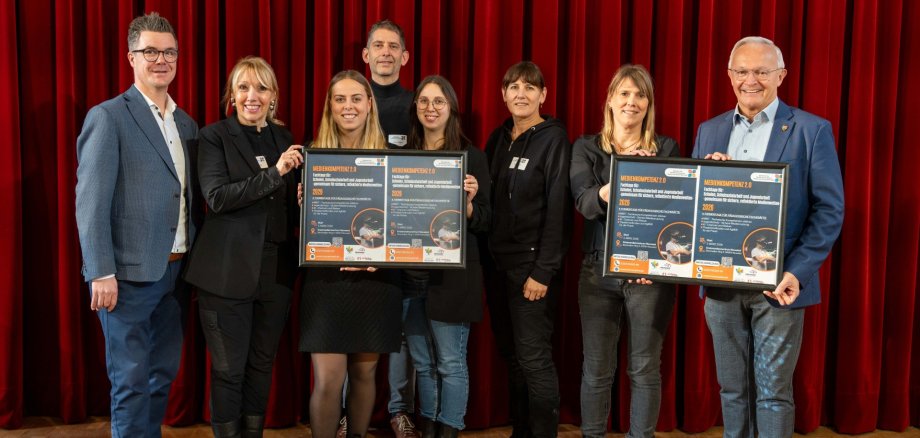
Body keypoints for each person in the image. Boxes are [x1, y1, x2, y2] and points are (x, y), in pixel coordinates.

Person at [692, 36, 844, 438]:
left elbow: (829, 210)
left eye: (762, 71)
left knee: (774, 394)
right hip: (721, 283)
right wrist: (708, 179)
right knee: (732, 390)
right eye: (742, 71)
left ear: (781, 76)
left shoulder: (811, 130)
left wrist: (796, 272)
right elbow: (694, 207)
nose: (751, 80)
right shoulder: (709, 131)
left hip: (780, 285)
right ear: (729, 75)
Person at [75, 12, 198, 438]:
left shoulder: (186, 124)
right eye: (150, 52)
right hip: (126, 278)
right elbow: (90, 203)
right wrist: (100, 272)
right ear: (131, 58)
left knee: (161, 376)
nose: (161, 60)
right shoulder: (109, 117)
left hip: (177, 273)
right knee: (130, 385)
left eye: (169, 52)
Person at [182, 56, 302, 438]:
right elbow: (217, 197)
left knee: (261, 366)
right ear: (232, 95)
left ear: (273, 96)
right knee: (228, 370)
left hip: (276, 273)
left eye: (262, 88)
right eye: (244, 87)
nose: (253, 96)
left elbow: (288, 206)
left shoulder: (283, 139)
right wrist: (276, 173)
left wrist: (303, 199)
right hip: (226, 273)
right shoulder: (214, 137)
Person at [569, 64, 678, 438]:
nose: (632, 102)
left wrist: (650, 175)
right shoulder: (586, 147)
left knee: (644, 367)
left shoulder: (666, 148)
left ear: (649, 104)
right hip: (597, 270)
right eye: (625, 93)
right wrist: (624, 179)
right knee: (596, 368)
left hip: (650, 274)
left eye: (640, 95)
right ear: (610, 100)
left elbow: (674, 211)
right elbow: (585, 203)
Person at [299, 70, 402, 438]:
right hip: (327, 283)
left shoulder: (393, 159)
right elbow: (298, 229)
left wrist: (382, 257)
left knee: (364, 374)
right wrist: (303, 207)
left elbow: (403, 226)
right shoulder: (310, 156)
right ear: (330, 105)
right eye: (340, 99)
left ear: (369, 104)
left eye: (356, 98)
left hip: (376, 282)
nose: (348, 106)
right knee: (328, 380)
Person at [485, 61, 572, 438]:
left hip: (531, 269)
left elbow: (559, 211)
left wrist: (543, 271)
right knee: (513, 358)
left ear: (543, 95)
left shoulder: (554, 141)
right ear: (503, 94)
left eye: (530, 87)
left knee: (534, 360)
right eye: (514, 87)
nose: (521, 94)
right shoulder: (497, 139)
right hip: (497, 266)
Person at [402, 75, 491, 438]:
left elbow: (487, 219)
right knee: (423, 364)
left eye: (438, 101)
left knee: (451, 363)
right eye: (424, 101)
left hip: (453, 279)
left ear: (451, 108)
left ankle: (449, 430)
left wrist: (468, 206)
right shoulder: (402, 157)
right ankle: (429, 427)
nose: (430, 108)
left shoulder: (472, 157)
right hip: (410, 278)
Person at [361, 19, 419, 438]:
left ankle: (400, 410)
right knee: (355, 326)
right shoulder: (349, 97)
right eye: (378, 45)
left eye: (393, 46)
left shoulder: (418, 105)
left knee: (401, 330)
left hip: (404, 233)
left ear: (405, 56)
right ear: (366, 55)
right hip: (356, 235)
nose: (385, 52)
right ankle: (350, 413)